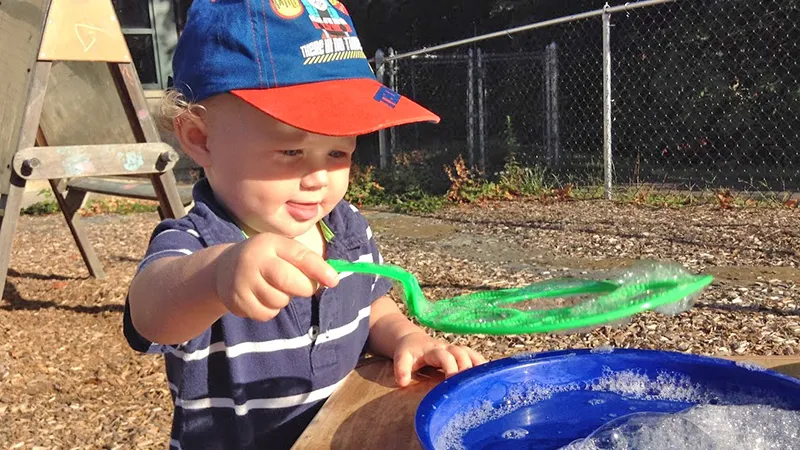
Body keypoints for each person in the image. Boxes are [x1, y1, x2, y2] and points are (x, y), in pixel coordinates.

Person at [123, 1, 486, 449]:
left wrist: (407, 337)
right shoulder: (197, 242)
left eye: (338, 153)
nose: (318, 179)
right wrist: (218, 275)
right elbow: (150, 313)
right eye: (291, 151)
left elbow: (371, 305)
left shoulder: (346, 228)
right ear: (200, 138)